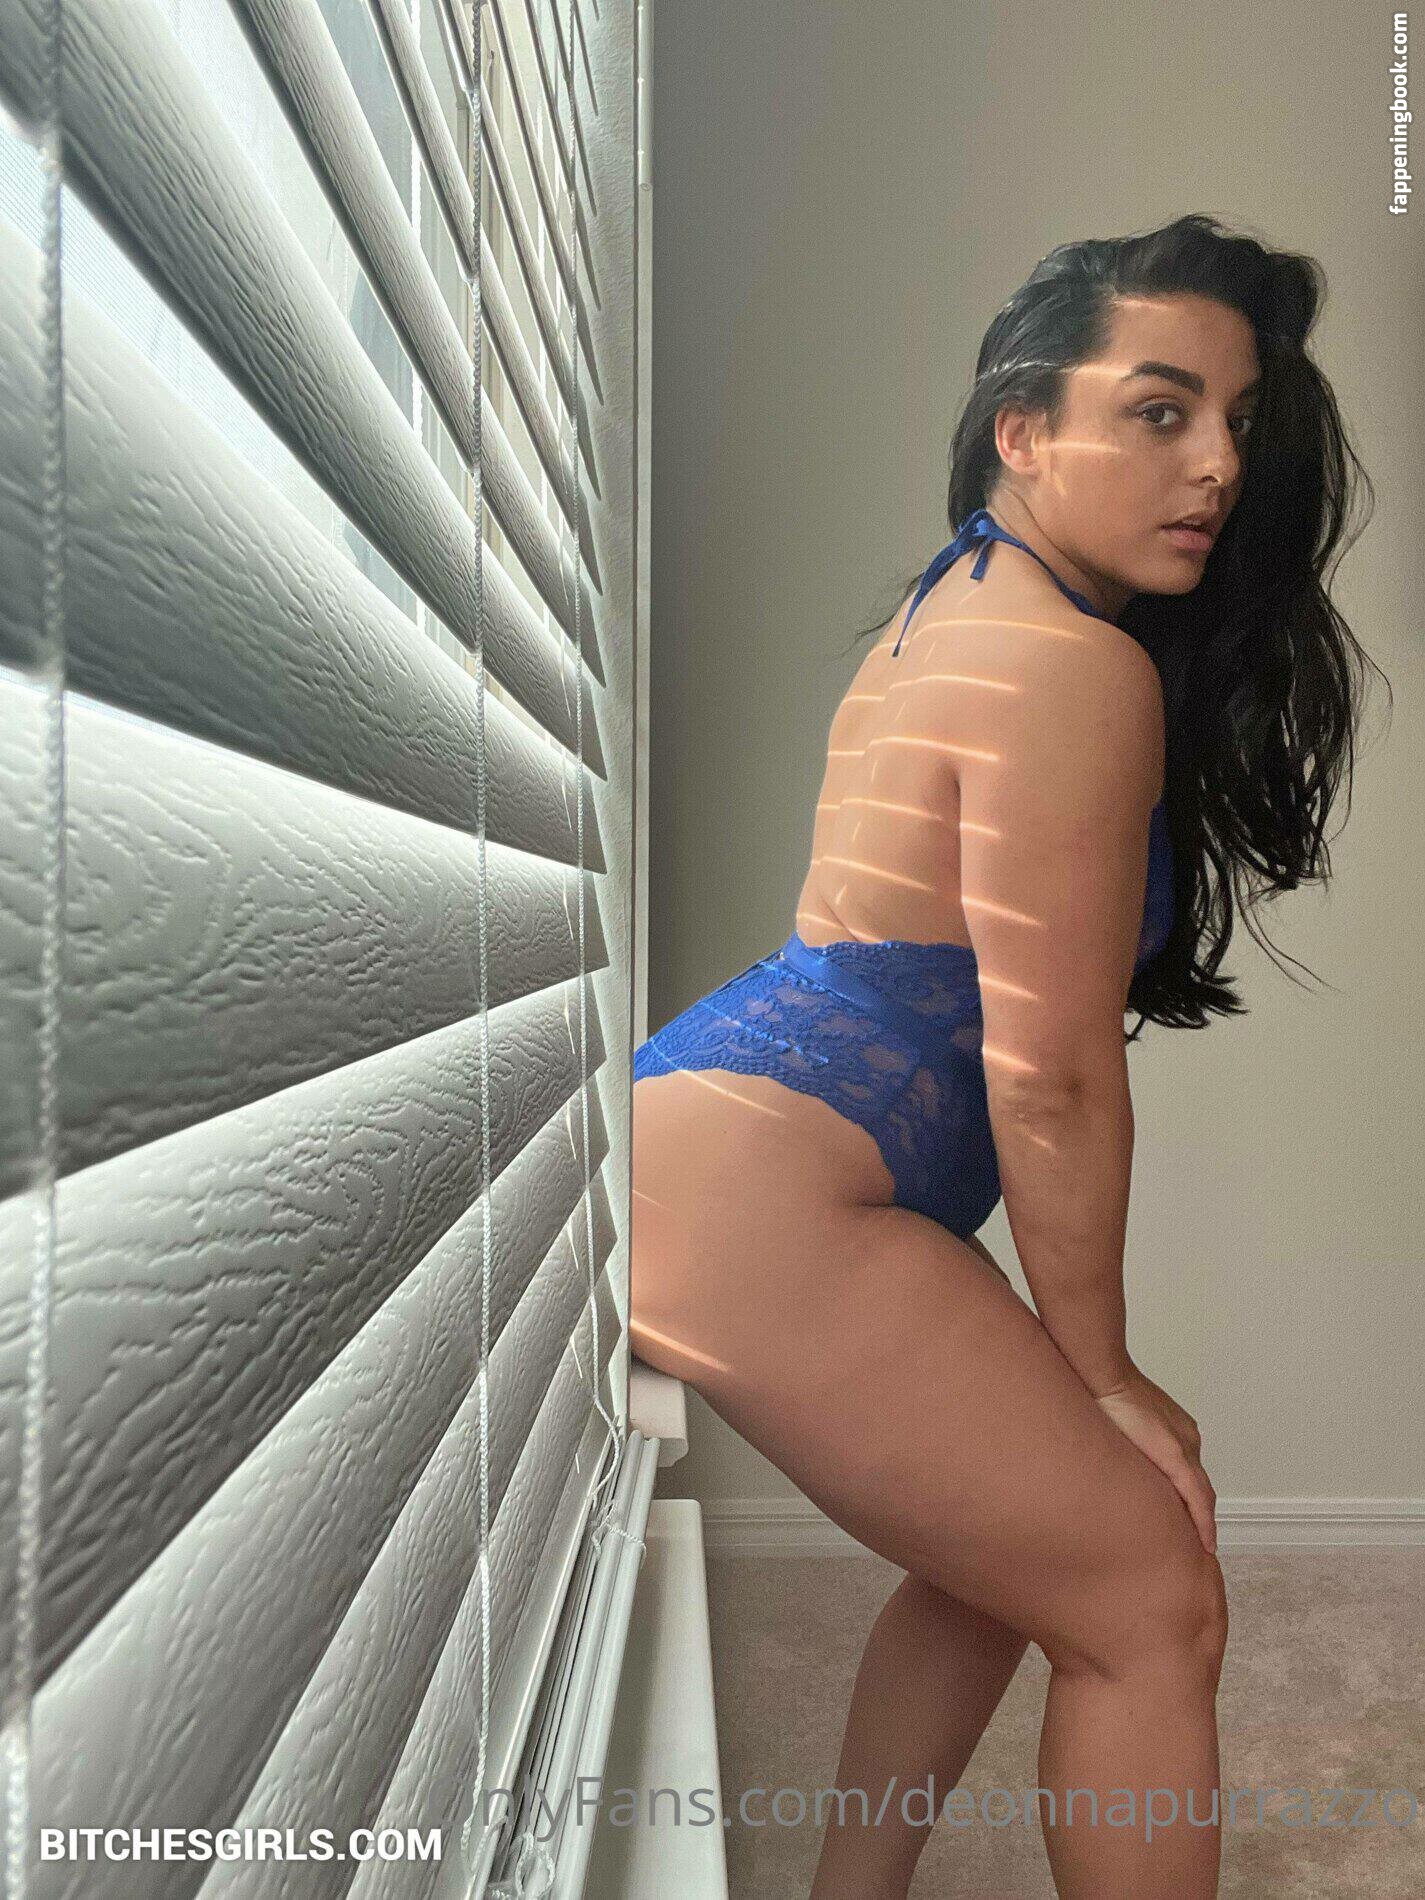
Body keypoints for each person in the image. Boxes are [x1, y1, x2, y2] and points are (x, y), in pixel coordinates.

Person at [629, 214, 1384, 1899]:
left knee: (1002, 1562)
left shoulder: (954, 608)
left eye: (1235, 421)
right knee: (1152, 1598)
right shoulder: (1065, 663)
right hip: (770, 1197)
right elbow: (1045, 1074)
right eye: (1158, 411)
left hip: (716, 1151)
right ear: (1021, 428)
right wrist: (1098, 1370)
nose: (1215, 465)